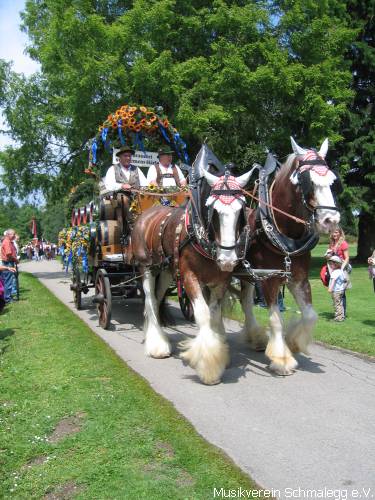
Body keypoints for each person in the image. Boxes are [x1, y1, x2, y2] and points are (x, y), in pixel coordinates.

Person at [327, 227, 350, 314]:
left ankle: (342, 314)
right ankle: (338, 312)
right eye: (333, 232)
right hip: (333, 270)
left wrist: (341, 269)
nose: (334, 234)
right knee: (335, 290)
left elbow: (347, 257)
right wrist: (327, 256)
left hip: (341, 270)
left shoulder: (343, 243)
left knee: (341, 291)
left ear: (340, 233)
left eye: (336, 232)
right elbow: (330, 255)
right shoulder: (332, 244)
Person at [327, 255, 347, 321]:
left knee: (336, 304)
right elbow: (345, 280)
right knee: (340, 303)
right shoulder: (341, 271)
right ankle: (342, 316)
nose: (330, 265)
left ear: (336, 264)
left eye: (331, 264)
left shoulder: (334, 272)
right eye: (329, 264)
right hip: (341, 290)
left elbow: (333, 280)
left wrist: (330, 288)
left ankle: (338, 318)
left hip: (336, 291)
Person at [0, 229, 19, 303]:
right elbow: (8, 254)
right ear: (8, 235)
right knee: (8, 281)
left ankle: (7, 296)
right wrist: (15, 260)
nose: (14, 235)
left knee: (8, 281)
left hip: (9, 262)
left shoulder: (8, 241)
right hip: (8, 263)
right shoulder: (7, 242)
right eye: (13, 234)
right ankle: (7, 298)